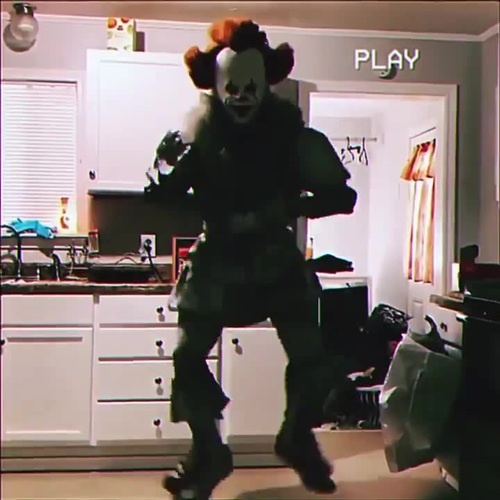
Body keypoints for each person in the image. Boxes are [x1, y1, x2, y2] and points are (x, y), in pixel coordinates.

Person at [144, 17, 358, 500]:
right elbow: (161, 193)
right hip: (216, 259)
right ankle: (207, 453)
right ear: (216, 86)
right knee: (185, 356)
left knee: (311, 355)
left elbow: (342, 196)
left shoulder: (291, 137)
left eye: (250, 87)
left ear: (266, 84)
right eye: (232, 87)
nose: (241, 98)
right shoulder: (198, 132)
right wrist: (165, 166)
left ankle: (296, 436)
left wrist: (290, 207)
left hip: (274, 259)